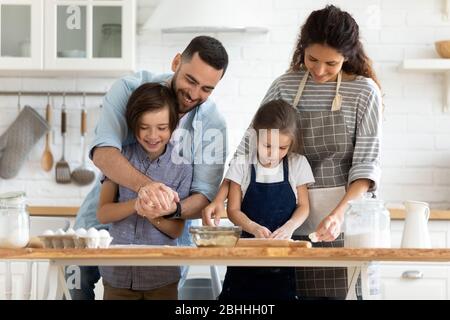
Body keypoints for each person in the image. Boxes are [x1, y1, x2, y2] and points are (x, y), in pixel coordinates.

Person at [203, 5, 382, 299]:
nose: (320, 71)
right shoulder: (285, 85)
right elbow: (249, 146)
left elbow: (366, 165)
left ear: (347, 57)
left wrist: (338, 215)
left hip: (343, 227)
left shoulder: (364, 92)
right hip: (287, 227)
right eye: (312, 59)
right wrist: (220, 198)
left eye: (331, 63)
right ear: (302, 49)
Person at [69, 36, 228, 300]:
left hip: (164, 237)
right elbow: (104, 152)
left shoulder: (213, 123)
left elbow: (204, 197)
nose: (194, 94)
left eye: (207, 89)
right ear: (177, 62)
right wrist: (148, 190)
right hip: (104, 220)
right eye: (190, 80)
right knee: (75, 280)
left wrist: (172, 209)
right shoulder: (129, 89)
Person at [97, 83, 192, 300]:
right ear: (133, 125)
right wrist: (136, 205)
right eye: (144, 127)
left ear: (173, 126)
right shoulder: (119, 160)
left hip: (162, 276)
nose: (152, 135)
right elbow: (103, 213)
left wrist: (153, 215)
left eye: (161, 127)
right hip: (117, 274)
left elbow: (176, 230)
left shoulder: (183, 168)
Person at [218, 100, 314, 300]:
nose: (273, 154)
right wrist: (253, 228)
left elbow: (304, 206)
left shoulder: (298, 164)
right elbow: (233, 210)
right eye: (267, 145)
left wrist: (289, 227)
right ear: (255, 136)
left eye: (282, 148)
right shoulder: (242, 164)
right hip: (244, 258)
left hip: (282, 260)